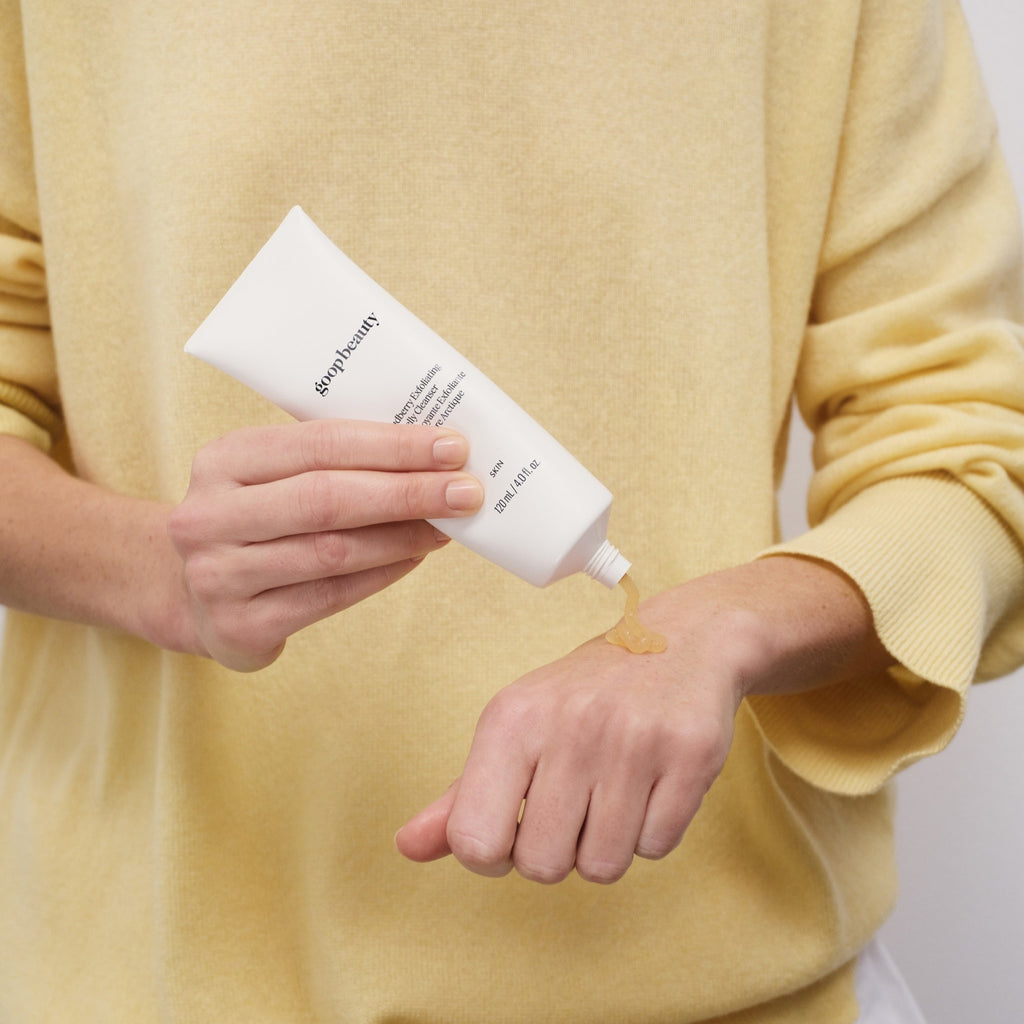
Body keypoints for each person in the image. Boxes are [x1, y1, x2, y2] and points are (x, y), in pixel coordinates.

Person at [1, 1, 1022, 1021]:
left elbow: (972, 446)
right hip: (151, 980)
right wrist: (158, 571)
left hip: (739, 981)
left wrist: (728, 630)